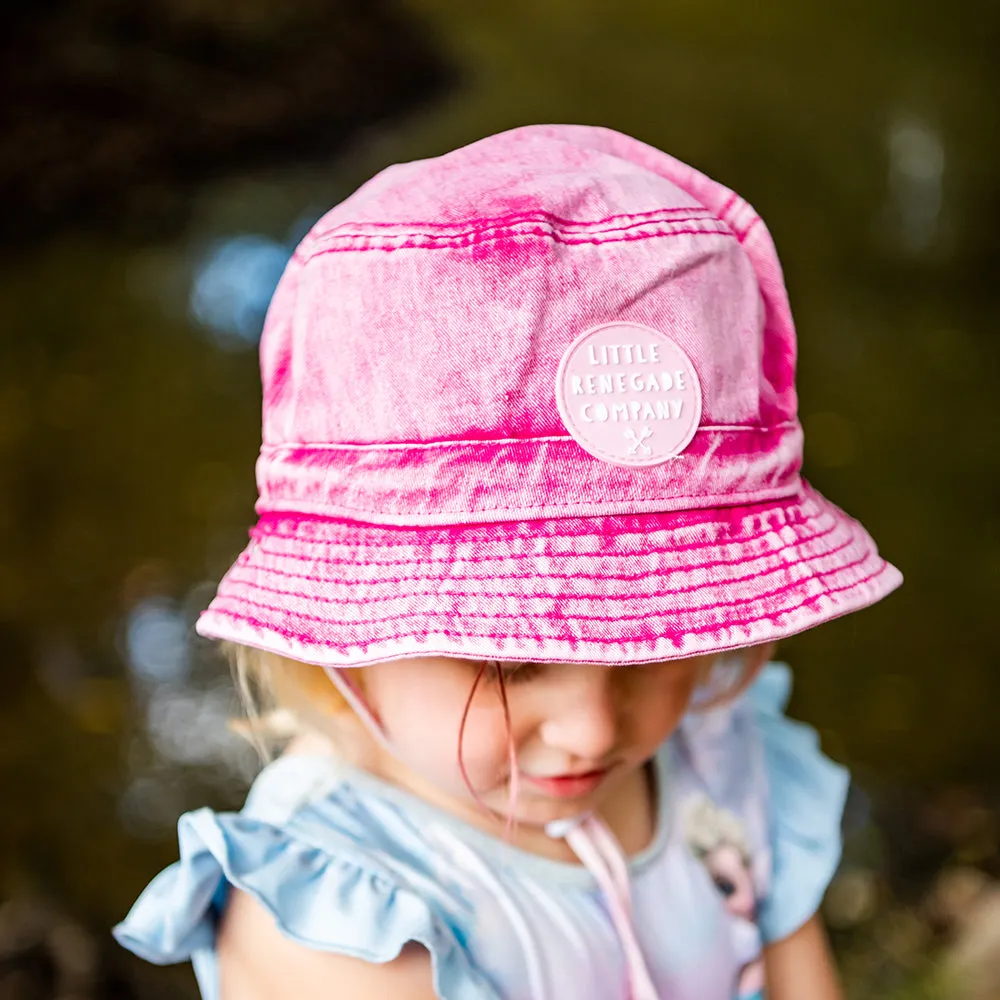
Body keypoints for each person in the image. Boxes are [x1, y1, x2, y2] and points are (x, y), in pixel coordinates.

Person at [113, 124, 902, 1000]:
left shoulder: (722, 759)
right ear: (345, 642)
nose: (596, 729)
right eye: (512, 661)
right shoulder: (340, 926)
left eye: (656, 638)